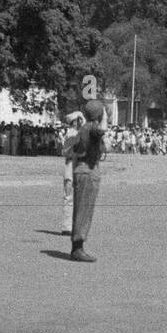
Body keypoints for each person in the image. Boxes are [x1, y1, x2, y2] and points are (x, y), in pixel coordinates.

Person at [63, 100, 106, 262]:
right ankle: (77, 248)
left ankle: (78, 246)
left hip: (85, 170)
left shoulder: (85, 128)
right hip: (87, 170)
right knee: (83, 210)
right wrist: (105, 116)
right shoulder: (91, 128)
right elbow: (102, 130)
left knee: (84, 209)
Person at [61, 112, 81, 236]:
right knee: (69, 197)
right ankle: (68, 226)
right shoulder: (72, 134)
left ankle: (70, 226)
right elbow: (67, 152)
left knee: (73, 198)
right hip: (71, 166)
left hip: (75, 166)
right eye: (78, 120)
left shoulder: (75, 133)